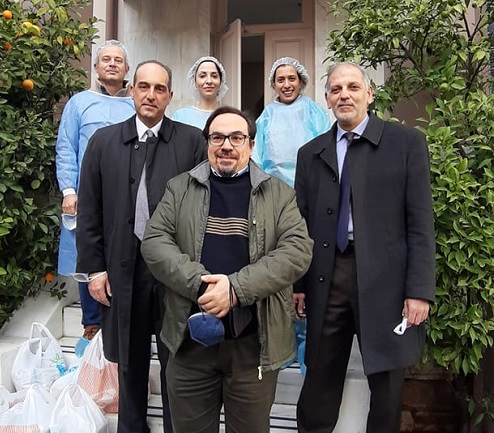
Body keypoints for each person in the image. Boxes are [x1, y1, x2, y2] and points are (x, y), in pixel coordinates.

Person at [140, 106, 313, 433]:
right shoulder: (179, 188)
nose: (226, 146)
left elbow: (297, 251)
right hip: (189, 345)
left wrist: (235, 289)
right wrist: (201, 285)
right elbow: (154, 242)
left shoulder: (279, 194)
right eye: (217, 137)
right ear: (207, 142)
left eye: (236, 137)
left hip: (252, 348)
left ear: (251, 144)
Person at [294, 62, 436, 433]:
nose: (345, 95)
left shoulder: (405, 144)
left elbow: (420, 222)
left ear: (369, 94)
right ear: (327, 99)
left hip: (387, 281)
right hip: (328, 275)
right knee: (318, 379)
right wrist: (299, 284)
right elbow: (301, 225)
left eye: (353, 87)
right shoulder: (310, 153)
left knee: (387, 387)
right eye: (336, 89)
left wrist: (419, 291)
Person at [76, 60, 206, 433]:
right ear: (132, 90)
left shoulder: (191, 142)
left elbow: (204, 209)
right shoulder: (103, 142)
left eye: (159, 89)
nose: (151, 95)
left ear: (170, 95)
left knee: (177, 361)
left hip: (174, 273)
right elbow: (90, 210)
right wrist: (95, 270)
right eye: (144, 87)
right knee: (129, 361)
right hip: (121, 269)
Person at [55, 39, 135, 357]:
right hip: (88, 194)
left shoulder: (136, 105)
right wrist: (68, 190)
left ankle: (126, 321)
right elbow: (66, 147)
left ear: (127, 69)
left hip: (128, 196)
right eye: (106, 59)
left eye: (118, 60)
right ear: (97, 67)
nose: (112, 64)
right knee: (89, 253)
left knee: (126, 253)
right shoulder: (79, 103)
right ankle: (92, 324)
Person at [252, 56, 330, 187]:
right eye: (280, 80)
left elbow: (326, 148)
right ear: (274, 84)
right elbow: (256, 156)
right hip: (273, 188)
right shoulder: (266, 116)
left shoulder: (313, 111)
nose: (287, 85)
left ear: (301, 81)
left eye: (292, 78)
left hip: (309, 185)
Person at [171, 56, 229, 129]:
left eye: (214, 76)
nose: (209, 81)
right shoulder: (181, 116)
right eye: (202, 76)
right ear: (195, 82)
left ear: (221, 82)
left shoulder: (230, 117)